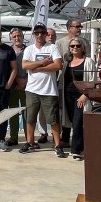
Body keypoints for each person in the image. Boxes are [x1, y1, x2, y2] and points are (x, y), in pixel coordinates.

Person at [18, 23, 66, 158]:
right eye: (37, 33)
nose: (40, 35)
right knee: (30, 118)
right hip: (32, 90)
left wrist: (38, 68)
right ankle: (29, 142)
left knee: (54, 120)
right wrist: (43, 62)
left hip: (49, 90)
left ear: (46, 34)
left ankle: (57, 144)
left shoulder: (52, 47)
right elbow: (24, 65)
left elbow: (58, 65)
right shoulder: (29, 49)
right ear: (34, 35)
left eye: (42, 33)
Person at [58, 37, 94, 160]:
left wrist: (85, 95)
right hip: (68, 96)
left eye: (77, 46)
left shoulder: (88, 61)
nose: (75, 48)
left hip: (81, 96)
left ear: (82, 47)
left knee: (79, 121)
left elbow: (92, 81)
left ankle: (76, 150)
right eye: (72, 46)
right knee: (73, 122)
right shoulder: (67, 62)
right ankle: (82, 146)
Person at [7, 28, 27, 146]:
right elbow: (6, 69)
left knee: (27, 113)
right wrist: (17, 81)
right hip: (13, 86)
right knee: (12, 112)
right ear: (10, 39)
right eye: (14, 36)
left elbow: (33, 69)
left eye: (19, 36)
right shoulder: (8, 51)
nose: (17, 38)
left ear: (22, 37)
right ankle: (13, 137)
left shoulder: (29, 50)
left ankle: (28, 138)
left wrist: (24, 82)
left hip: (27, 86)